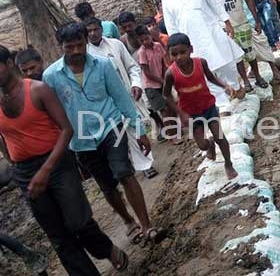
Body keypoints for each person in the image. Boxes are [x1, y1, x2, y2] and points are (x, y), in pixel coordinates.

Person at [0, 44, 129, 274]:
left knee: (78, 222)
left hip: (57, 163)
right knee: (58, 236)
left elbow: (66, 130)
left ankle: (106, 249)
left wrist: (45, 170)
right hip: (25, 171)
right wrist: (14, 163)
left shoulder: (38, 90)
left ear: (9, 65)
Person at [43, 22, 163, 245]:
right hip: (81, 140)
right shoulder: (51, 77)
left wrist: (139, 131)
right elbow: (52, 115)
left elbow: (121, 99)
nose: (76, 51)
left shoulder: (103, 65)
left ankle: (147, 225)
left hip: (111, 127)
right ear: (61, 46)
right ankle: (129, 221)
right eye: (70, 47)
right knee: (107, 186)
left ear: (86, 42)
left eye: (80, 45)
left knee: (124, 173)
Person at [159, 0, 245, 109]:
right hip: (190, 41)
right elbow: (171, 25)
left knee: (226, 64)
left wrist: (227, 23)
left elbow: (215, 4)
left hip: (212, 32)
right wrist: (175, 47)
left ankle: (235, 90)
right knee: (205, 72)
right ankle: (223, 104)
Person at [84, 17, 159, 179]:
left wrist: (136, 84)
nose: (93, 33)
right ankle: (128, 165)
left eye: (95, 29)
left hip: (125, 95)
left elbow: (132, 67)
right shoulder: (85, 54)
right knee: (117, 134)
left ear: (101, 29)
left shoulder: (115, 45)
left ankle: (145, 165)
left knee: (134, 128)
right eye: (89, 31)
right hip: (104, 102)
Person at [163, 33, 242, 179]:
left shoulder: (201, 63)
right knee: (203, 146)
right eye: (174, 54)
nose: (179, 57)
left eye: (182, 52)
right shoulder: (170, 74)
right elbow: (166, 95)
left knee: (221, 137)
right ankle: (209, 144)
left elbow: (211, 77)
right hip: (191, 114)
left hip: (208, 107)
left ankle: (228, 164)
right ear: (169, 55)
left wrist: (225, 86)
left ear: (190, 49)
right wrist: (180, 113)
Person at [208, 0, 270, 92]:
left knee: (250, 53)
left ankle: (258, 77)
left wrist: (257, 20)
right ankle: (245, 81)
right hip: (225, 28)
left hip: (242, 23)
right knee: (236, 57)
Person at [135, 25, 179, 145]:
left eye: (146, 38)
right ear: (138, 41)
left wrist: (166, 76)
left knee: (171, 106)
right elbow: (147, 73)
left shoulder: (158, 46)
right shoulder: (141, 53)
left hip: (162, 80)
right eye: (141, 40)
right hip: (151, 86)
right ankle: (172, 136)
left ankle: (175, 130)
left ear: (150, 36)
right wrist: (161, 81)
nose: (145, 42)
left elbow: (163, 63)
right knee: (163, 110)